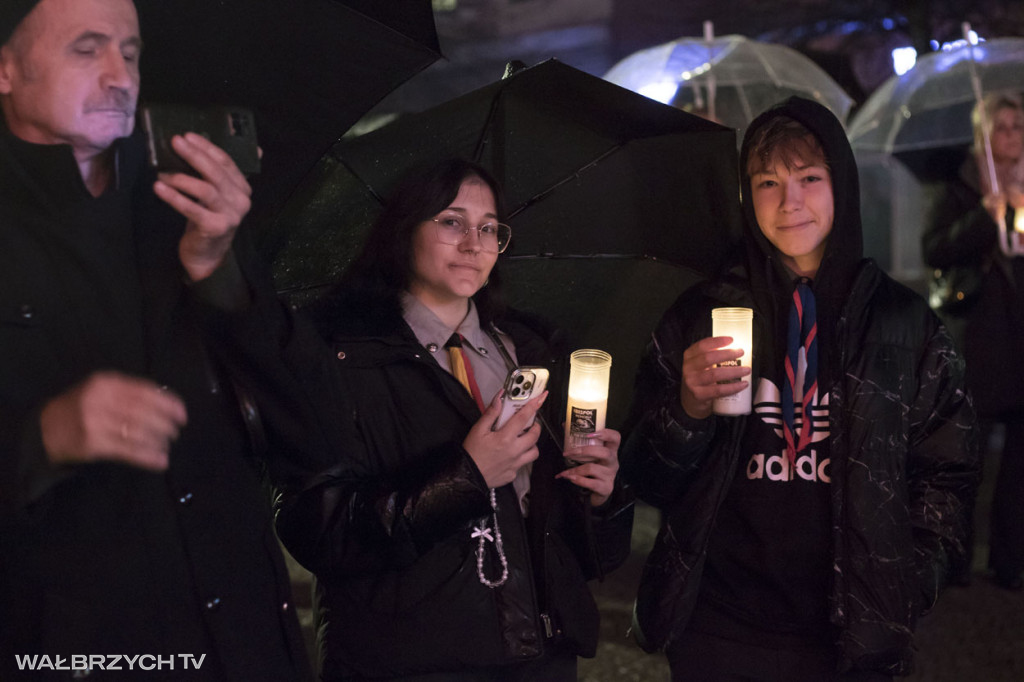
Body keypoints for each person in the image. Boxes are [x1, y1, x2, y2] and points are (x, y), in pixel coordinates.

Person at [0, 0, 338, 678]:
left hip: (245, 648)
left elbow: (319, 439)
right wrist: (45, 439)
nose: (120, 75)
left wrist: (221, 276)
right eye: (86, 48)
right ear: (7, 69)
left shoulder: (185, 210)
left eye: (130, 51)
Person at [621, 97, 979, 680]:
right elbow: (649, 479)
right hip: (721, 625)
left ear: (843, 185)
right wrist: (686, 411)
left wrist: (906, 582)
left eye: (809, 178)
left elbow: (948, 470)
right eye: (767, 182)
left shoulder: (902, 324)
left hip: (845, 634)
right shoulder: (703, 313)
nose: (790, 203)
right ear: (746, 196)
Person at [275, 158, 634, 682]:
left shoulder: (526, 354)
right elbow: (318, 530)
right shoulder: (339, 358)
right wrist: (466, 475)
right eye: (451, 221)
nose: (474, 243)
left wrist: (600, 498)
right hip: (410, 661)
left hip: (539, 658)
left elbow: (575, 549)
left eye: (489, 228)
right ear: (403, 231)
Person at [921, 91, 1024, 590]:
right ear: (983, 134)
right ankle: (955, 561)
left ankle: (1010, 560)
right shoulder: (960, 187)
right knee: (970, 454)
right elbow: (934, 248)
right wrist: (986, 214)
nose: (1011, 135)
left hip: (1020, 334)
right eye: (1001, 126)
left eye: (1018, 126)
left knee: (1019, 464)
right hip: (981, 337)